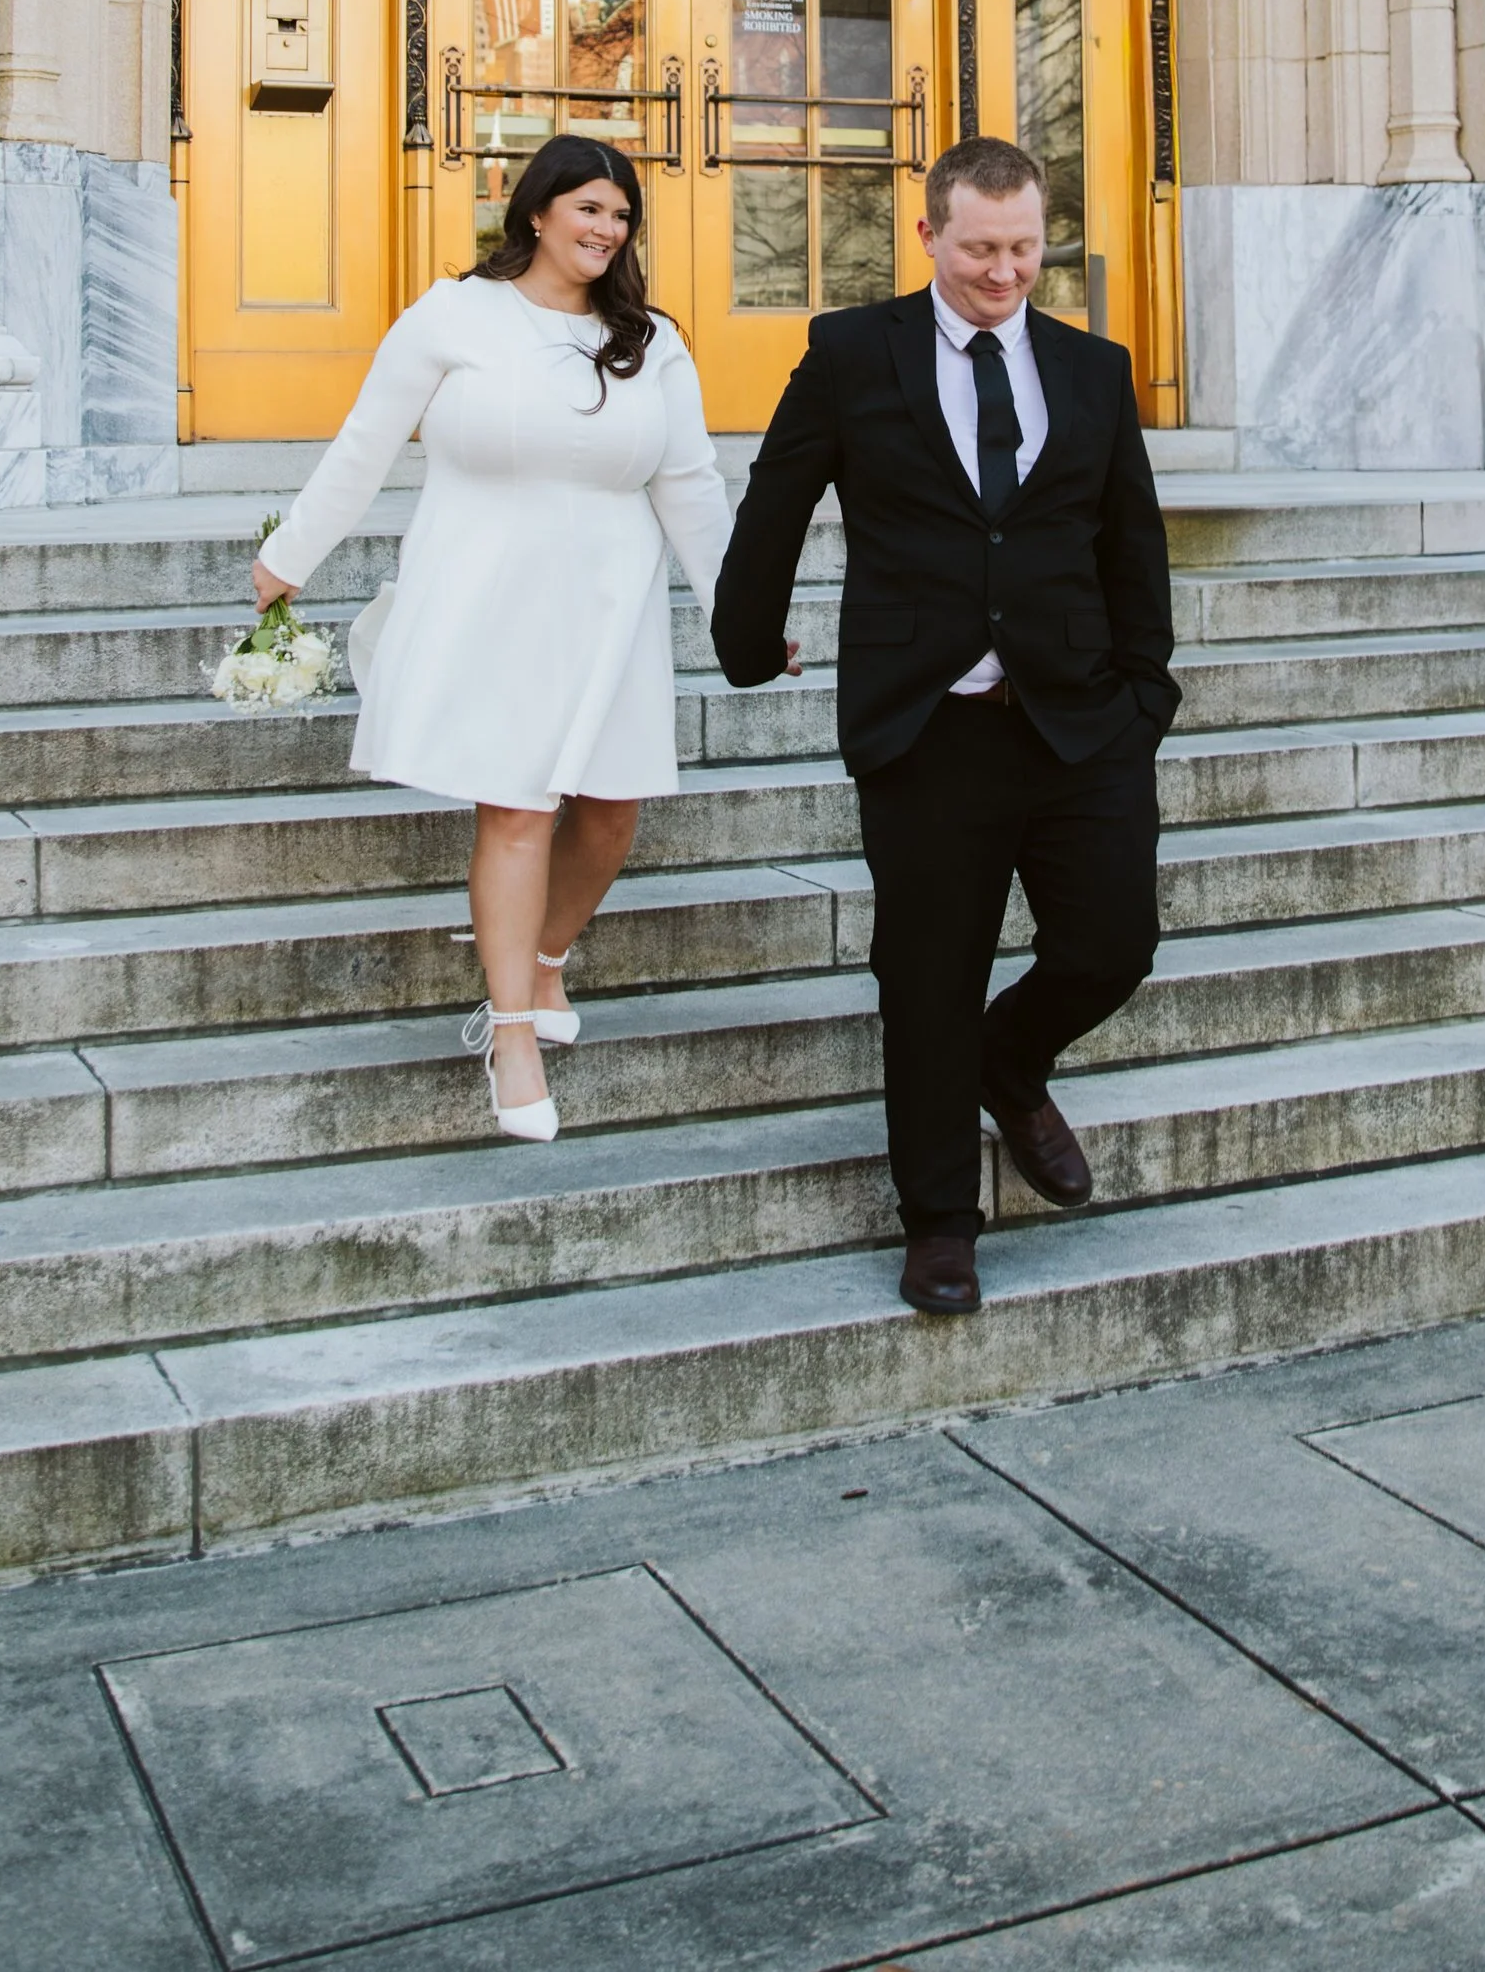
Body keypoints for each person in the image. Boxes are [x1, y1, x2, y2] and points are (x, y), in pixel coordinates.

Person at [711, 135, 1178, 1314]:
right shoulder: (850, 353)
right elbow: (777, 499)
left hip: (1077, 720)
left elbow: (1131, 541)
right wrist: (746, 640)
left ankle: (1008, 1061)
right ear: (928, 235)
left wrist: (1144, 696)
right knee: (925, 978)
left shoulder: (1091, 368)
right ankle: (938, 1224)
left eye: (1024, 248)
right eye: (980, 248)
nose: (1005, 272)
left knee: (1113, 943)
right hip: (927, 726)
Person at [250, 135, 733, 1142]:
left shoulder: (652, 339)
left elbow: (689, 485)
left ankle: (548, 958)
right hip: (491, 591)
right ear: (537, 213)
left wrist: (740, 614)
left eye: (619, 215)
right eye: (588, 209)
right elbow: (365, 443)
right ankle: (510, 1032)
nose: (605, 230)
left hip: (612, 603)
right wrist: (292, 554)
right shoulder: (455, 315)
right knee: (515, 812)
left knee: (608, 816)